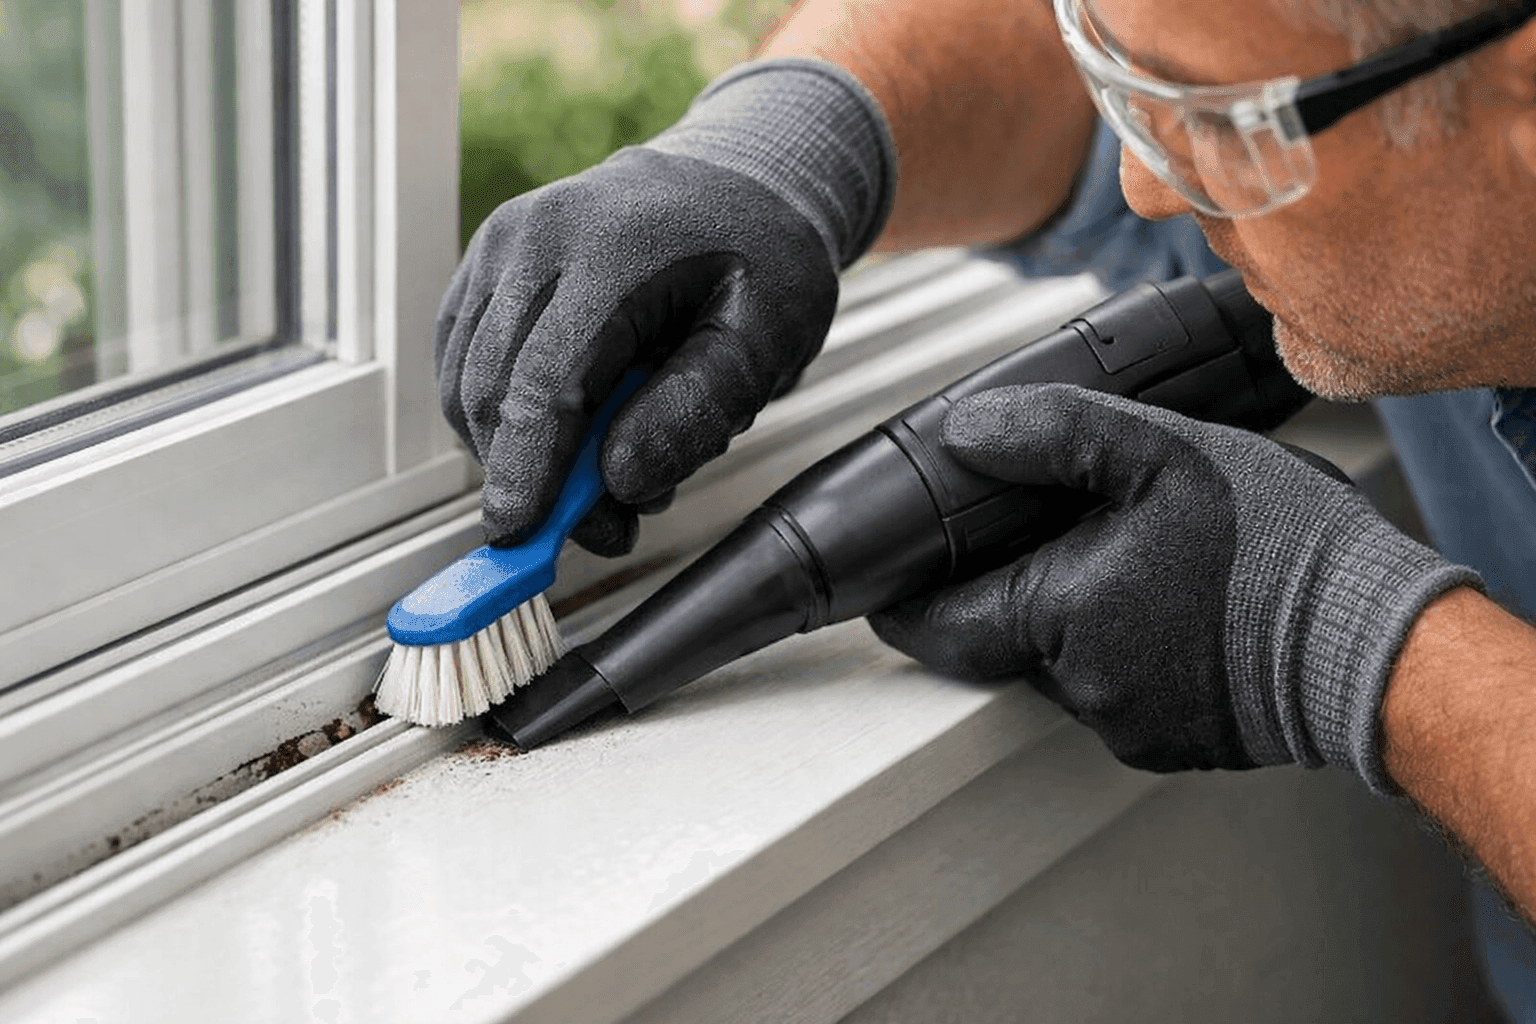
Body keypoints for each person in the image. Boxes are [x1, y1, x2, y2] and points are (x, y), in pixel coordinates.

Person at [436, 0, 1536, 1005]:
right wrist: (789, 143)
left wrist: (1356, 642)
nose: (1146, 183)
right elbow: (1171, 58)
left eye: (1225, 132)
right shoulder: (1413, 117)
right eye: (1136, 91)